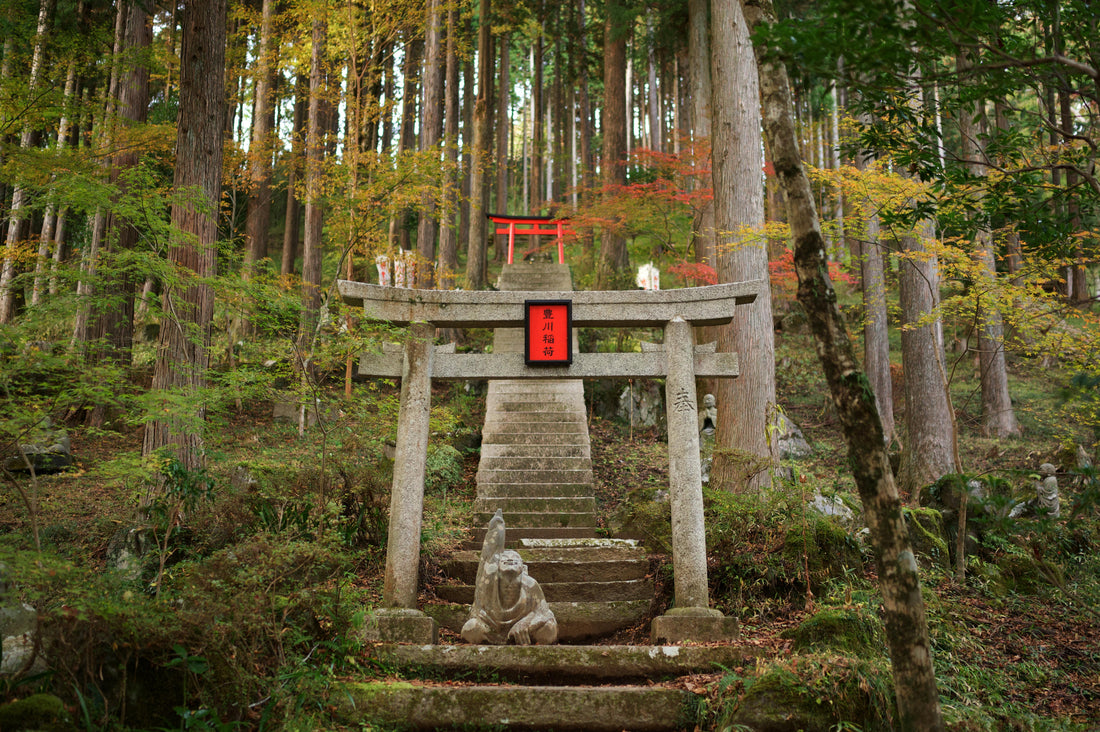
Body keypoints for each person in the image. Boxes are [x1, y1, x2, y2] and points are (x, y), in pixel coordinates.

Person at [461, 509, 558, 645]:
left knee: (549, 629)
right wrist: (495, 533)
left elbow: (545, 613)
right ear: (497, 566)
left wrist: (526, 623)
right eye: (505, 557)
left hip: (523, 632)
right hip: (491, 629)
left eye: (516, 558)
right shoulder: (489, 585)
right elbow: (487, 559)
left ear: (523, 568)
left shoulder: (530, 585)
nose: (511, 558)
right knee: (470, 629)